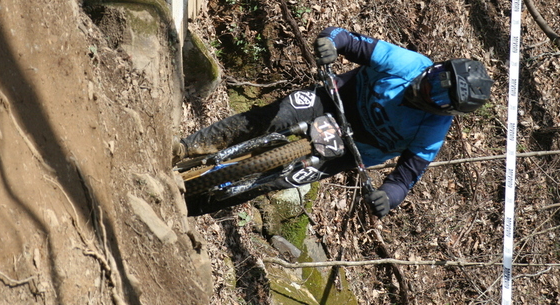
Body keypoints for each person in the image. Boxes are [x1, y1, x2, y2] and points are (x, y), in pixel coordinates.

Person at [175, 26, 493, 217]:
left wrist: (388, 198)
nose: (428, 86)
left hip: (348, 151)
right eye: (437, 77)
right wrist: (330, 43)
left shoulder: (434, 131)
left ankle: (187, 210)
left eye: (438, 94)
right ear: (438, 65)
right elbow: (348, 40)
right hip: (330, 101)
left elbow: (406, 178)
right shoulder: (407, 64)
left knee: (274, 181)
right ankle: (188, 147)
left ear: (446, 110)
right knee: (270, 117)